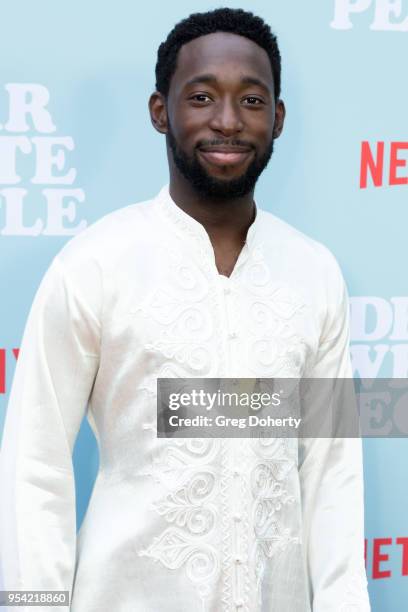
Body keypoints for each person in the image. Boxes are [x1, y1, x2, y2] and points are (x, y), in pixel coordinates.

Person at [0, 7, 371, 612]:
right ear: (160, 111)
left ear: (277, 120)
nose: (227, 121)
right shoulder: (96, 265)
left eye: (252, 101)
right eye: (201, 96)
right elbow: (33, 466)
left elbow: (333, 469)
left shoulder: (314, 273)